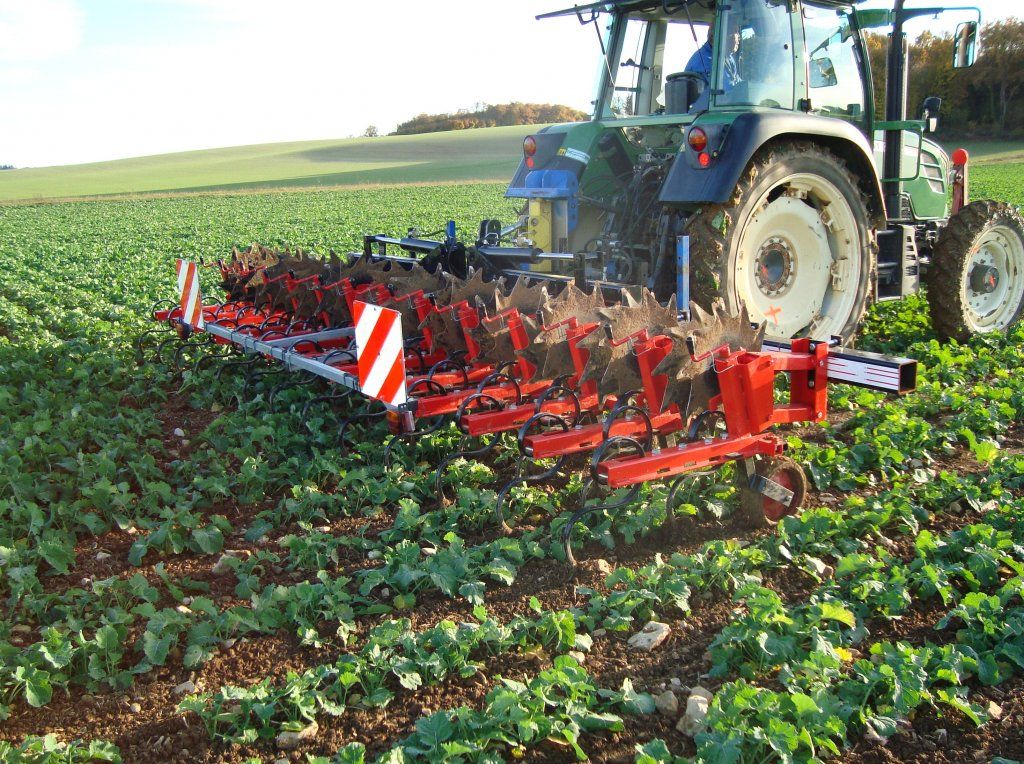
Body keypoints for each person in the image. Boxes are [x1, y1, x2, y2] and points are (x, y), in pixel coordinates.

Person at [685, 16, 741, 89]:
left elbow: (737, 82)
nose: (738, 37)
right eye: (734, 32)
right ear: (713, 37)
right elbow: (724, 91)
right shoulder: (704, 62)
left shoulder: (728, 58)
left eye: (737, 32)